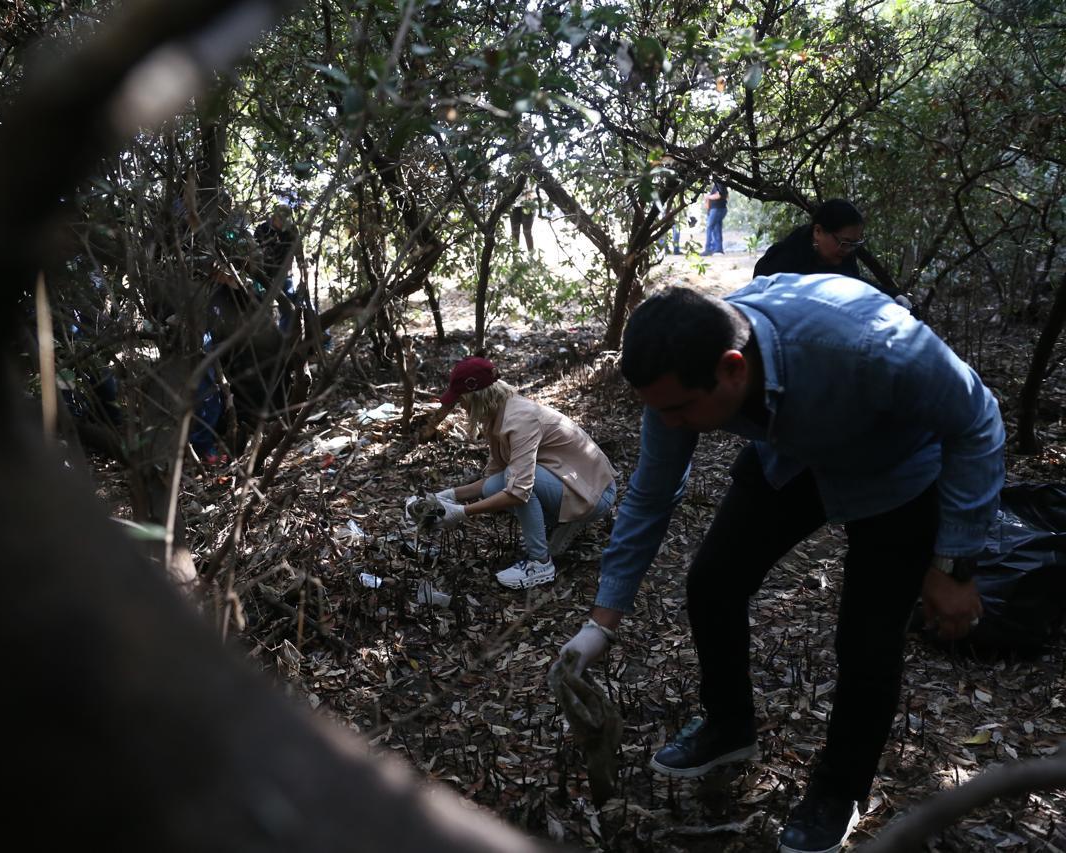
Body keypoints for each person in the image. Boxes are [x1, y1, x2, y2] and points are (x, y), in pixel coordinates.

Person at [558, 279, 1004, 853]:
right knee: (713, 582)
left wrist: (953, 564)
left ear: (733, 368)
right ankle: (728, 727)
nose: (669, 424)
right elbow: (650, 494)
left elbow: (978, 421)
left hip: (896, 473)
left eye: (679, 409)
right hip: (792, 459)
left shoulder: (868, 346)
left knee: (866, 641)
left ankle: (839, 790)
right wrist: (601, 623)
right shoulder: (680, 379)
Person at [427, 357, 617, 589]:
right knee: (494, 486)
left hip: (597, 493)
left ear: (474, 398)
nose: (462, 408)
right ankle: (561, 522)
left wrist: (462, 513)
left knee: (517, 482)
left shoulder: (520, 419)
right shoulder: (498, 415)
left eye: (460, 401)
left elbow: (518, 491)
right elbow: (492, 479)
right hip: (576, 485)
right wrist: (447, 496)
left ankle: (540, 564)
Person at [754, 199, 907, 303]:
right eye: (844, 242)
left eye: (854, 244)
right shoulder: (782, 262)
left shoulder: (844, 253)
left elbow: (852, 283)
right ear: (818, 232)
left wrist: (892, 296)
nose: (847, 250)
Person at [704, 180, 728, 254]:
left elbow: (719, 195)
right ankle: (718, 248)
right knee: (716, 228)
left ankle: (708, 249)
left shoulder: (720, 183)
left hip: (718, 209)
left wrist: (708, 197)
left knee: (710, 227)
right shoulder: (715, 184)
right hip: (715, 209)